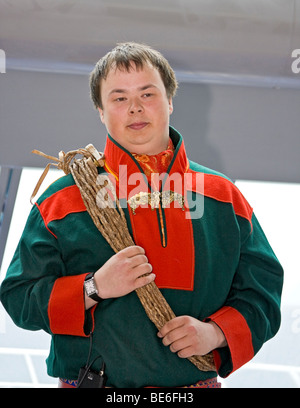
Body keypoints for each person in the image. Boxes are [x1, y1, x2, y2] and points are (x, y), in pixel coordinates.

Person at [0, 42, 283, 388]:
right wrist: (95, 286)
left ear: (170, 102)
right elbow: (19, 296)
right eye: (119, 98)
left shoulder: (223, 197)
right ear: (102, 112)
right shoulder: (64, 198)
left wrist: (215, 333)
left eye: (148, 94)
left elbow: (263, 295)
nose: (135, 108)